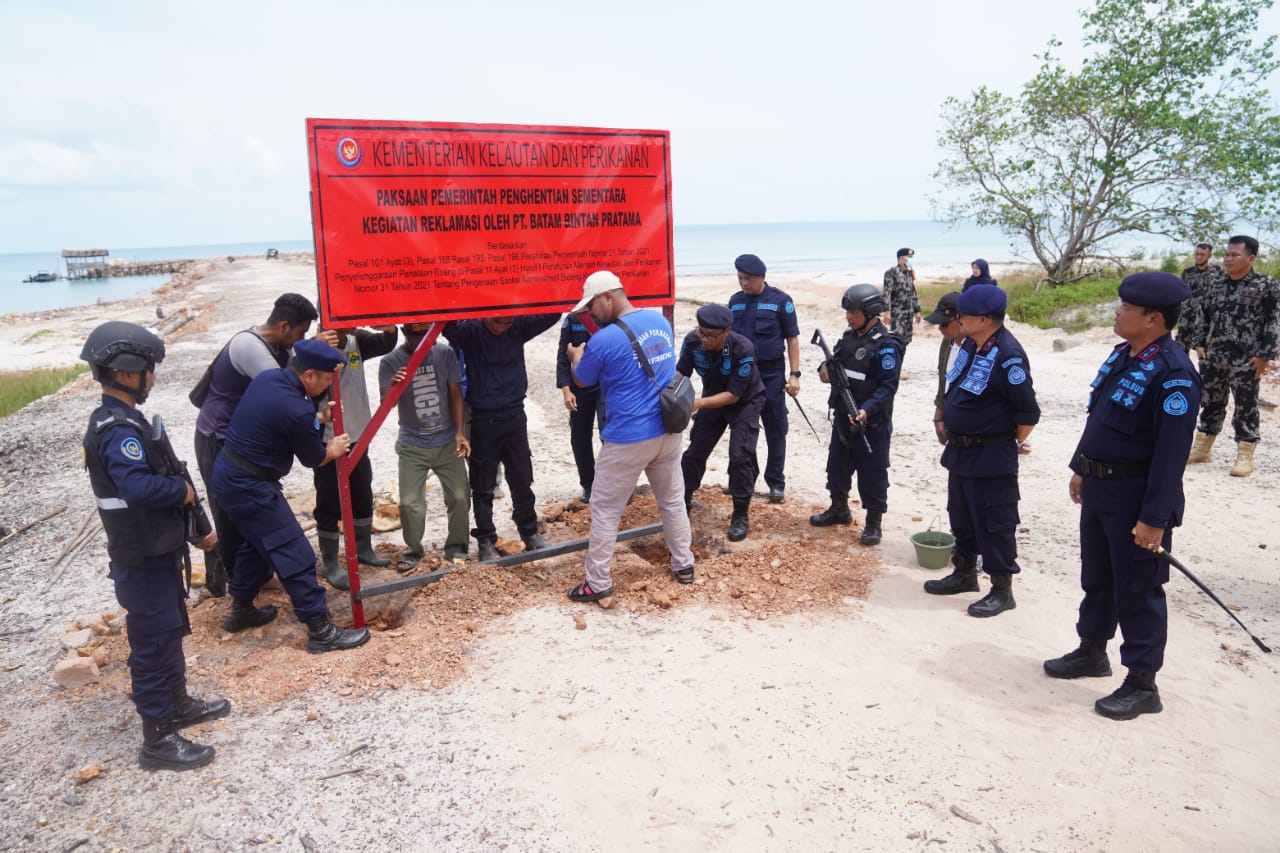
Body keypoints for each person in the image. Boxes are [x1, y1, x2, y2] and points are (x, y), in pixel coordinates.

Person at [1045, 272, 1201, 720]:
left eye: (1126, 308)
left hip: (1137, 497)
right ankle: (1092, 649)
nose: (1117, 312)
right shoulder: (1124, 356)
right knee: (1098, 576)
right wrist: (1081, 468)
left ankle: (1142, 683)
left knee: (1139, 588)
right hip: (1100, 489)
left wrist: (1154, 518)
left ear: (1152, 319)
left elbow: (1171, 456)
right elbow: (1100, 416)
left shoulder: (1174, 374)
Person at [80, 321, 228, 771]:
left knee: (170, 631)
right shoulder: (117, 430)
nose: (152, 377)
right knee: (151, 643)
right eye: (148, 369)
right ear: (127, 373)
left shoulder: (126, 421)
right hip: (140, 557)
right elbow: (139, 488)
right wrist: (181, 493)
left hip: (155, 550)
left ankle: (178, 703)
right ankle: (157, 739)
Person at [211, 338, 370, 653]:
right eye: (325, 380)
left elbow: (286, 417)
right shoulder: (296, 407)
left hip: (230, 475)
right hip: (251, 484)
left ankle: (241, 609)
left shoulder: (271, 379)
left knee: (256, 546)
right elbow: (314, 457)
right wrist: (333, 448)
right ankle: (320, 630)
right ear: (309, 375)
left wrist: (319, 418)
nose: (326, 387)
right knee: (294, 552)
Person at [564, 270, 695, 601]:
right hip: (667, 431)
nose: (591, 314)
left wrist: (576, 356)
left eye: (592, 306)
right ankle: (684, 564)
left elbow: (582, 380)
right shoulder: (660, 323)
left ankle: (598, 582)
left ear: (608, 296)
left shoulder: (604, 340)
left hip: (628, 437)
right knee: (672, 500)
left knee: (606, 508)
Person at [924, 284, 1040, 617]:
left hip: (990, 455)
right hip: (962, 452)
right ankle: (964, 573)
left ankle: (1002, 590)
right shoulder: (973, 346)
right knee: (962, 515)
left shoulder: (1008, 355)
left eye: (965, 315)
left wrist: (1005, 441)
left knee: (995, 522)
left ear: (985, 319)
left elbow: (1027, 412)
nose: (959, 320)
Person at [193, 293, 318, 590]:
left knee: (251, 510)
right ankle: (236, 582)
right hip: (217, 436)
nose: (299, 340)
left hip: (242, 438)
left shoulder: (277, 347)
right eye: (300, 333)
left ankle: (254, 579)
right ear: (285, 325)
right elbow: (285, 394)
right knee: (228, 511)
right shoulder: (250, 347)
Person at [442, 311, 560, 560]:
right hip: (484, 419)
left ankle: (529, 533)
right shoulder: (471, 332)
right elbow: (447, 325)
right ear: (485, 316)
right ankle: (485, 539)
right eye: (497, 321)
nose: (502, 327)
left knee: (521, 479)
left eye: (507, 322)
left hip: (515, 416)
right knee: (483, 485)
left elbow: (551, 313)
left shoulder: (517, 327)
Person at [809, 284, 903, 546]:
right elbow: (835, 362)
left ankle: (874, 523)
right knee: (837, 466)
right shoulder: (849, 337)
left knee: (873, 472)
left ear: (871, 312)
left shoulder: (886, 344)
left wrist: (866, 410)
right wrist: (824, 370)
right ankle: (839, 509)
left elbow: (888, 386)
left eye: (854, 312)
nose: (849, 317)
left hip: (871, 420)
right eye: (847, 312)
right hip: (843, 416)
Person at [311, 326, 398, 589]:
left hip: (359, 431)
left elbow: (385, 343)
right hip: (329, 437)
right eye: (342, 322)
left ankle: (363, 548)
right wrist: (317, 347)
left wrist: (390, 326)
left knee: (362, 490)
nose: (349, 327)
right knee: (328, 497)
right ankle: (330, 562)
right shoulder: (311, 348)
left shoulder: (356, 340)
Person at [379, 323, 472, 568]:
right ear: (404, 334)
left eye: (426, 335)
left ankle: (457, 548)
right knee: (409, 503)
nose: (421, 341)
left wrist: (460, 431)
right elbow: (385, 406)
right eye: (415, 336)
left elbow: (455, 394)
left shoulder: (444, 354)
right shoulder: (390, 361)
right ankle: (413, 550)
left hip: (446, 441)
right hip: (412, 444)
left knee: (460, 497)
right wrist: (395, 385)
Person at [1186, 235, 1278, 477]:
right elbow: (1202, 314)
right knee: (1210, 401)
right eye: (1227, 254)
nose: (1228, 259)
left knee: (1246, 406)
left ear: (1251, 258)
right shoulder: (1214, 283)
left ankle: (1244, 456)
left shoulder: (1266, 285)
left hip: (1246, 359)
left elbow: (1273, 322)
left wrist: (1264, 355)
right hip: (1214, 355)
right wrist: (1199, 343)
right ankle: (1203, 448)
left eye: (1235, 255)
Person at [678, 303, 767, 541]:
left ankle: (740, 513)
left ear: (726, 331)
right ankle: (682, 502)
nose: (704, 339)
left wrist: (696, 404)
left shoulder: (744, 349)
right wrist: (670, 398)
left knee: (740, 455)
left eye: (711, 336)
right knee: (695, 452)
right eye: (701, 332)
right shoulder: (692, 341)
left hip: (744, 402)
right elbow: (680, 375)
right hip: (711, 396)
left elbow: (734, 395)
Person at [729, 253, 801, 503]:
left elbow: (792, 339)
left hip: (771, 375)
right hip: (743, 376)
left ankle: (775, 482)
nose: (743, 283)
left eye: (748, 279)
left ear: (761, 277)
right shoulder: (735, 302)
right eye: (740, 278)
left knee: (775, 429)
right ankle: (745, 479)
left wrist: (794, 375)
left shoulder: (780, 301)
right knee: (743, 428)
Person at [556, 312, 603, 503]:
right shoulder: (573, 319)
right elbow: (562, 355)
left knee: (610, 433)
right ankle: (589, 484)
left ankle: (618, 483)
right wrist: (566, 390)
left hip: (605, 385)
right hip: (579, 385)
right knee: (579, 436)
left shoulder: (608, 315)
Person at [924, 292, 965, 446]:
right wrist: (939, 414)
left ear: (961, 318)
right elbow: (944, 379)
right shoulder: (947, 343)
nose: (940, 329)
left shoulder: (981, 347)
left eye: (945, 324)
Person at [1176, 242, 1220, 354]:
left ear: (1209, 255)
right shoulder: (1187, 272)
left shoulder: (1217, 272)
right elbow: (1181, 292)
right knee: (1181, 350)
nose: (1199, 257)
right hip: (1187, 316)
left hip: (1205, 317)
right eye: (1197, 254)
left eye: (1202, 254)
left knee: (1204, 351)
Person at [882, 248, 920, 357]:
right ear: (900, 258)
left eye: (911, 258)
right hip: (897, 313)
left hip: (909, 313)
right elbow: (887, 293)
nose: (909, 259)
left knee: (906, 340)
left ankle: (899, 364)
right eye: (907, 257)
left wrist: (917, 311)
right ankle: (894, 366)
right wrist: (887, 311)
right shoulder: (892, 272)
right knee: (896, 340)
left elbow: (913, 292)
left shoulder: (909, 273)